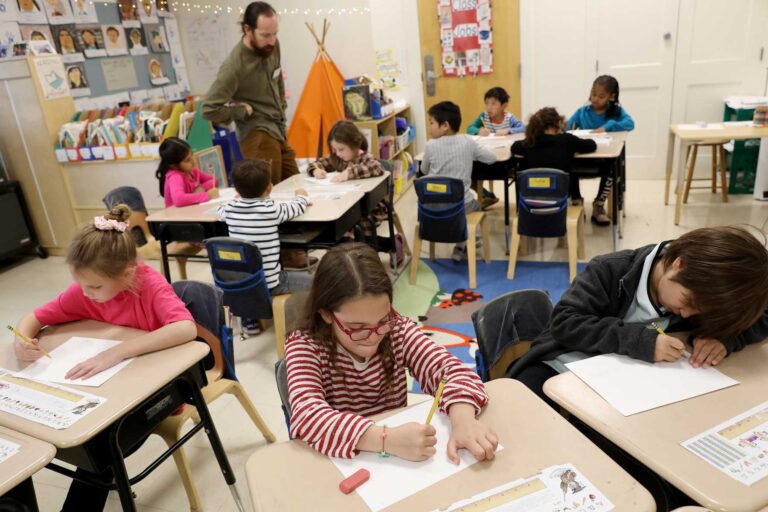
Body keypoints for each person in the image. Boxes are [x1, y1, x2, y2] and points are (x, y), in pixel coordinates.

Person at [13, 204, 197, 511]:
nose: (86, 294)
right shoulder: (88, 291)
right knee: (48, 430)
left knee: (99, 448)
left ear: (127, 274)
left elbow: (186, 328)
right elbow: (33, 317)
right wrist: (23, 340)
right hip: (105, 391)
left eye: (95, 286)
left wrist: (118, 351)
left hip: (159, 393)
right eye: (82, 285)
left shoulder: (149, 286)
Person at [285, 243, 498, 462]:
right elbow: (308, 417)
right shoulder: (305, 346)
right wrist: (387, 439)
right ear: (326, 315)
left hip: (397, 461)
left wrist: (463, 421)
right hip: (342, 462)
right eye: (357, 328)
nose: (374, 336)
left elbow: (453, 372)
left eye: (382, 320)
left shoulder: (396, 330)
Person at [509, 226, 768, 401]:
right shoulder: (610, 270)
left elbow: (761, 317)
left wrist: (725, 339)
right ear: (679, 263)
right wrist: (642, 340)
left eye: (701, 310)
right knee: (526, 417)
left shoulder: (705, 291)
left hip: (631, 385)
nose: (689, 314)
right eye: (687, 301)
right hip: (562, 365)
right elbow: (566, 323)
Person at [203, 1, 312, 270]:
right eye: (265, 35)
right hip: (256, 135)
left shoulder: (272, 47)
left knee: (295, 187)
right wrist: (241, 113)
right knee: (266, 201)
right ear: (247, 29)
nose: (272, 40)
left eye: (275, 33)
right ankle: (275, 262)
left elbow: (278, 78)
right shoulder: (234, 66)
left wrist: (283, 110)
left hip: (277, 127)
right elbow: (209, 109)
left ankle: (292, 254)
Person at [218, 160, 312, 296]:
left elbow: (220, 210)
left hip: (241, 282)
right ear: (269, 188)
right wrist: (301, 195)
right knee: (317, 282)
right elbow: (298, 207)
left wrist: (236, 200)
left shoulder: (229, 209)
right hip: (270, 284)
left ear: (236, 190)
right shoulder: (272, 209)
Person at [422, 101, 497, 261]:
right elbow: (492, 158)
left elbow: (423, 170)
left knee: (453, 200)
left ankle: (460, 245)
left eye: (432, 123)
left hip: (433, 208)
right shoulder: (468, 142)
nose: (429, 127)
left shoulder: (429, 145)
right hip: (461, 207)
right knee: (476, 204)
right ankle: (468, 240)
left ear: (445, 126)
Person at [566, 75, 635, 225]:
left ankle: (598, 205)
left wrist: (608, 126)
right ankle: (576, 202)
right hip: (583, 156)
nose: (595, 99)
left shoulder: (616, 113)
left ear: (612, 96)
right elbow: (568, 125)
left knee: (611, 169)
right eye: (593, 94)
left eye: (601, 96)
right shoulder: (583, 112)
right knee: (567, 165)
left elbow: (630, 123)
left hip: (603, 158)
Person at [307, 120, 386, 237]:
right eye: (335, 150)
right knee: (335, 226)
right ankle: (343, 250)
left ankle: (370, 247)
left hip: (368, 209)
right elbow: (316, 163)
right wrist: (316, 170)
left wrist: (349, 173)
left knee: (352, 226)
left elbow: (377, 167)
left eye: (341, 149)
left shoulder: (365, 157)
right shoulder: (337, 158)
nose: (338, 153)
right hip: (345, 206)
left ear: (354, 145)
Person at [511, 107, 597, 201]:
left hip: (532, 196)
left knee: (522, 165)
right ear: (558, 124)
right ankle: (576, 199)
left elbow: (514, 147)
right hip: (561, 195)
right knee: (571, 164)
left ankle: (520, 208)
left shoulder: (530, 143)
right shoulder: (567, 140)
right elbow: (591, 145)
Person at [466, 87, 525, 209]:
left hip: (504, 156)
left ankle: (487, 196)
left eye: (493, 103)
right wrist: (478, 130)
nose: (489, 107)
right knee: (473, 170)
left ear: (504, 105)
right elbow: (469, 128)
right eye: (487, 103)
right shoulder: (484, 117)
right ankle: (485, 196)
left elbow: (523, 128)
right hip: (487, 154)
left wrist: (509, 130)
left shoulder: (509, 118)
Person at [156, 137, 218, 207]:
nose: (193, 160)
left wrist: (201, 188)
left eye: (192, 155)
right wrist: (208, 195)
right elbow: (179, 199)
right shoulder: (175, 177)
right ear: (174, 166)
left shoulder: (193, 172)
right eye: (187, 160)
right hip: (177, 216)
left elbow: (213, 180)